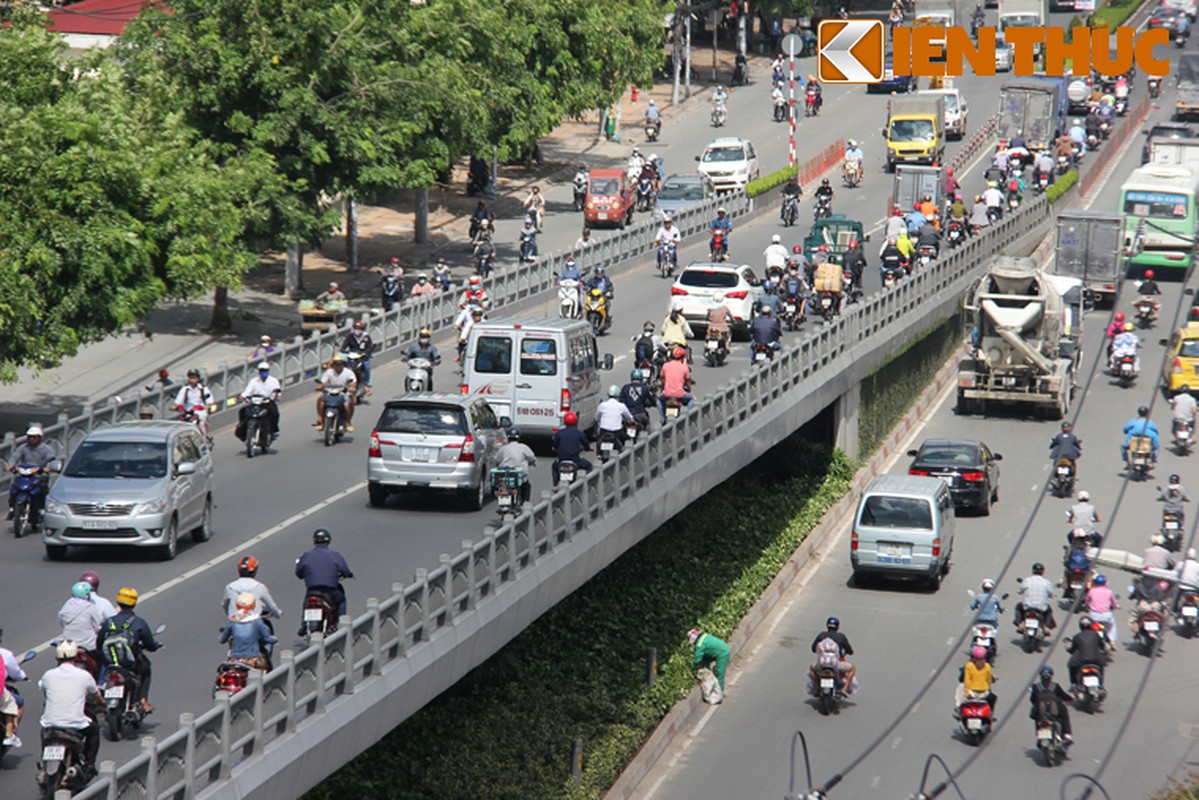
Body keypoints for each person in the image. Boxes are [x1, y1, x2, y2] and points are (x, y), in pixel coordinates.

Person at [38, 641, 102, 774]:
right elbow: (96, 695)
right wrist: (101, 702)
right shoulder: (84, 675)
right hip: (75, 724)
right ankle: (89, 765)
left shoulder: (48, 675)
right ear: (75, 656)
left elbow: (44, 691)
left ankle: (44, 764)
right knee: (94, 731)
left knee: (44, 734)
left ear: (57, 658)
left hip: (50, 724)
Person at [97, 587, 161, 713]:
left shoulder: (109, 622)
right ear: (134, 603)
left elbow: (99, 644)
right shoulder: (138, 622)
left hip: (111, 664)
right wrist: (156, 645)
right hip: (130, 665)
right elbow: (150, 645)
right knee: (146, 669)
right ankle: (142, 701)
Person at [295, 528, 354, 630]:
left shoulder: (307, 555)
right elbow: (345, 570)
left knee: (307, 601)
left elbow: (299, 572)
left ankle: (304, 624)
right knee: (341, 600)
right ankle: (341, 626)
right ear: (328, 541)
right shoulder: (335, 555)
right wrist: (348, 574)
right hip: (329, 591)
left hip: (312, 591)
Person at [6, 424, 55, 528]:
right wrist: (11, 466)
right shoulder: (23, 448)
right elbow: (15, 457)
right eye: (29, 437)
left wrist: (47, 468)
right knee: (14, 486)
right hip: (24, 474)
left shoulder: (46, 449)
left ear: (39, 438)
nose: (31, 439)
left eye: (34, 437)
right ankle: (12, 508)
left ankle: (41, 509)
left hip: (38, 475)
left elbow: (51, 461)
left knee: (42, 487)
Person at [219, 593, 277, 669]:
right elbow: (268, 638)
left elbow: (222, 640)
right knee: (266, 669)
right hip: (252, 659)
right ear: (253, 605)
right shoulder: (257, 620)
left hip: (235, 659)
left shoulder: (233, 620)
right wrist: (274, 639)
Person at [223, 556, 284, 626]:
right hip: (254, 625)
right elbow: (272, 606)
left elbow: (225, 605)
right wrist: (278, 614)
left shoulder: (230, 587)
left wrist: (231, 615)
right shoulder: (259, 587)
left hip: (234, 623)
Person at [808, 616, 857, 696]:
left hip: (821, 665)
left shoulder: (821, 635)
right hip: (836, 665)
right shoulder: (841, 636)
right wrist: (849, 652)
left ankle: (817, 687)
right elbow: (849, 650)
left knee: (811, 669)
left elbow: (813, 648)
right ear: (837, 626)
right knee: (852, 668)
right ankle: (844, 688)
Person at [238, 362, 282, 442]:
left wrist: (275, 396)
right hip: (255, 402)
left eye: (265, 370)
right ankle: (243, 432)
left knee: (274, 413)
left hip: (267, 402)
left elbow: (277, 392)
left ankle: (273, 431)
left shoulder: (273, 381)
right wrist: (243, 396)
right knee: (243, 411)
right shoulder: (254, 381)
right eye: (261, 370)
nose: (263, 372)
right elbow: (248, 391)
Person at [58, 581, 106, 654]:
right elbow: (97, 625)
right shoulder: (90, 606)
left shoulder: (67, 605)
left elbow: (61, 622)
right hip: (88, 646)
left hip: (69, 646)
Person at [1028, 667, 1073, 742]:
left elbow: (1032, 700)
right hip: (1055, 709)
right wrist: (1071, 698)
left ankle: (1040, 735)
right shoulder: (1055, 685)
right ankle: (1067, 734)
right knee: (1064, 714)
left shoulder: (1036, 687)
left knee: (1037, 718)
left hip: (1041, 711)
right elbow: (1064, 696)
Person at [313, 354, 357, 432]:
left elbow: (353, 382)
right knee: (320, 400)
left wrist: (352, 388)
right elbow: (323, 382)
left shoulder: (348, 372)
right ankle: (321, 420)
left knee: (347, 404)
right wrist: (319, 387)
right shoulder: (329, 372)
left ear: (343, 365)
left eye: (340, 364)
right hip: (330, 392)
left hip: (343, 393)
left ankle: (347, 422)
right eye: (336, 364)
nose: (338, 366)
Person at [494, 427, 537, 504]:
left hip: (505, 475)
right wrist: (532, 463)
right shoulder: (523, 447)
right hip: (519, 475)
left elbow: (496, 459)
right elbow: (532, 457)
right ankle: (525, 504)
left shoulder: (504, 448)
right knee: (526, 485)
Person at [551, 411, 592, 486]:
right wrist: (588, 448)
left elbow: (555, 444)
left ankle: (556, 484)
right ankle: (587, 484)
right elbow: (586, 444)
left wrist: (554, 448)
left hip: (561, 460)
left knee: (554, 467)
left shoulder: (559, 433)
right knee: (589, 466)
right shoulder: (579, 433)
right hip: (576, 460)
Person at [954, 645, 996, 717]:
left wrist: (967, 694)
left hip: (972, 693)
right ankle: (990, 714)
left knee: (960, 691)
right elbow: (989, 680)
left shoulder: (969, 666)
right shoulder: (987, 666)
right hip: (984, 694)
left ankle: (959, 710)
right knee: (993, 698)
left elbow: (967, 681)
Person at [1067, 617, 1108, 688]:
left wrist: (1067, 648)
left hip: (1081, 661)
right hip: (1096, 660)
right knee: (1101, 667)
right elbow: (1102, 647)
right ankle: (1100, 684)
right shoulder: (1096, 635)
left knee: (1071, 665)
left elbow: (1072, 651)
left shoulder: (1077, 637)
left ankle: (1073, 684)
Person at [1015, 563, 1057, 630]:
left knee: (1018, 606)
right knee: (1049, 611)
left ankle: (1019, 624)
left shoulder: (1027, 581)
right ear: (1043, 572)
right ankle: (1046, 627)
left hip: (1028, 607)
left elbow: (1019, 591)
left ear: (1033, 571)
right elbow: (1052, 594)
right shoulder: (1046, 582)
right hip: (1041, 607)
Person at [658, 347, 694, 423]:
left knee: (659, 400)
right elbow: (687, 382)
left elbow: (663, 381)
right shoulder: (684, 367)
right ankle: (688, 417)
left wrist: (663, 390)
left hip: (667, 394)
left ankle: (662, 418)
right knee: (691, 399)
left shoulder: (665, 365)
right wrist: (691, 392)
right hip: (680, 394)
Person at [341, 320, 374, 396]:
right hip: (352, 356)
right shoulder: (350, 337)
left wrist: (366, 353)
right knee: (345, 366)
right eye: (356, 328)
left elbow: (370, 347)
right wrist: (342, 350)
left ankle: (366, 383)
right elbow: (344, 346)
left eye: (359, 328)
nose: (357, 330)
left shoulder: (366, 337)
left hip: (362, 357)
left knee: (366, 366)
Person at [1085, 574, 1119, 646]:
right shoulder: (1109, 592)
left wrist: (1087, 606)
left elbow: (1087, 601)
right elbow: (1114, 603)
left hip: (1094, 616)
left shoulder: (1092, 591)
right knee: (1112, 626)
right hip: (1106, 615)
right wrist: (1116, 607)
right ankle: (1112, 640)